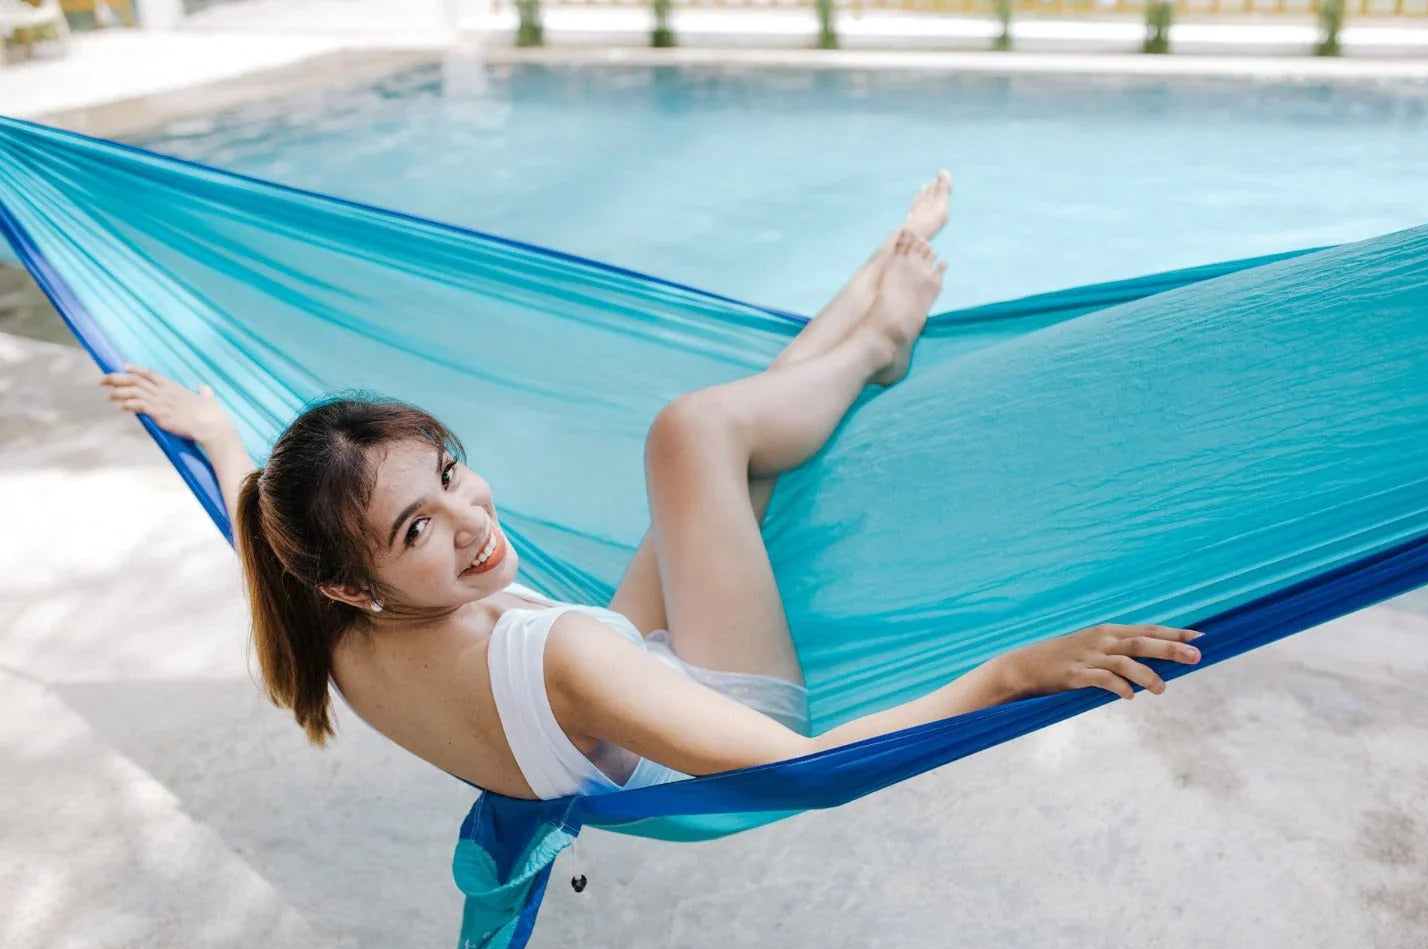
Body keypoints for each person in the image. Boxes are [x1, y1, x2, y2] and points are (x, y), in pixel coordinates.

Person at [100, 171, 1201, 801]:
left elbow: (258, 520)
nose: (473, 520)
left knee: (698, 446)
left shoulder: (323, 611)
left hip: (595, 695)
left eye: (448, 473)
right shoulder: (560, 649)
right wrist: (1011, 670)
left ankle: (863, 313)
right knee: (694, 431)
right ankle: (876, 340)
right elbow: (808, 771)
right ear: (354, 580)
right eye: (419, 528)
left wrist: (215, 431)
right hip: (699, 701)